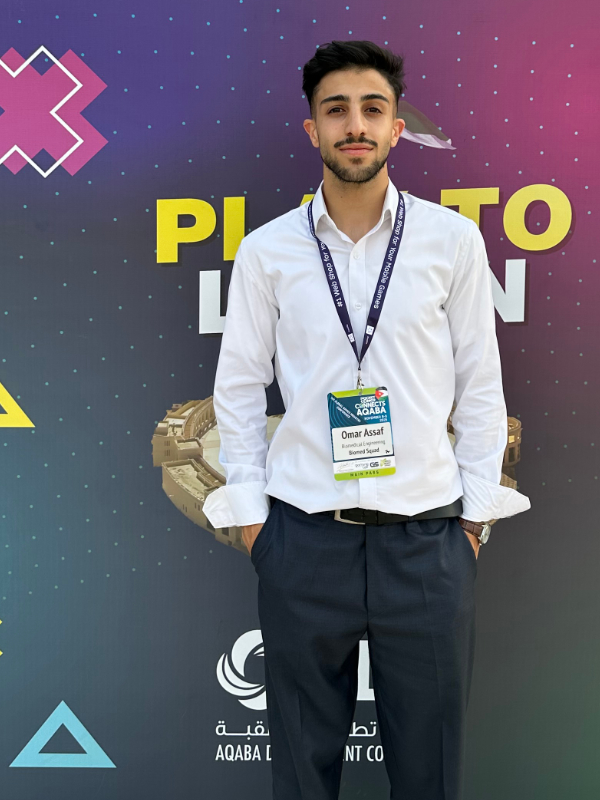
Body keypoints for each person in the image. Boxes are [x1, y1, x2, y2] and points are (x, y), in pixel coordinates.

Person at [203, 39, 531, 800]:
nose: (355, 125)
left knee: (429, 774)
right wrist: (254, 523)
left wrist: (472, 522)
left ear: (395, 128)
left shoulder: (451, 241)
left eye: (372, 109)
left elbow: (481, 385)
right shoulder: (267, 251)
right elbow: (239, 386)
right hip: (302, 541)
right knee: (301, 775)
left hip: (427, 544)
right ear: (312, 129)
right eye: (337, 110)